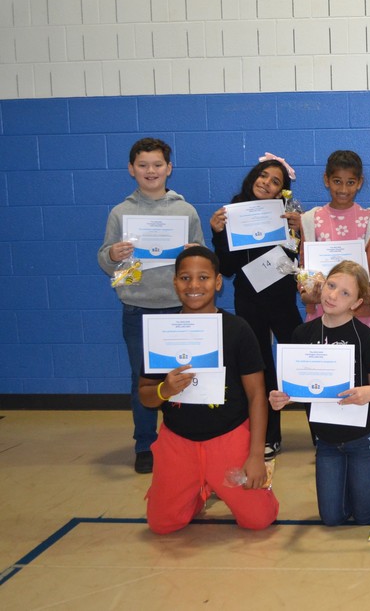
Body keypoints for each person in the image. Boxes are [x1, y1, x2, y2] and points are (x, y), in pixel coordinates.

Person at [138, 246, 279, 534]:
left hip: (228, 437)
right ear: (175, 283)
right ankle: (199, 487)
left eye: (203, 277)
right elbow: (145, 394)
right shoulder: (161, 332)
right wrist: (165, 389)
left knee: (258, 520)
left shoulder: (238, 329)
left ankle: (229, 484)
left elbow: (256, 396)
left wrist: (255, 456)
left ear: (217, 282)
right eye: (185, 278)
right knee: (163, 525)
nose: (193, 286)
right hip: (178, 439)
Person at [97, 137, 205, 474]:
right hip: (138, 309)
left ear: (169, 169)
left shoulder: (185, 210)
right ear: (132, 170)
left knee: (185, 377)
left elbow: (202, 257)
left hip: (179, 308)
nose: (150, 171)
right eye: (143, 165)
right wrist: (112, 255)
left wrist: (192, 251)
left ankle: (185, 440)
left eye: (157, 165)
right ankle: (145, 444)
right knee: (142, 381)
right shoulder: (120, 212)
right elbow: (105, 258)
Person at [269, 261, 370, 526]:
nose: (333, 295)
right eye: (331, 286)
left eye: (345, 293)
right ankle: (353, 487)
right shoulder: (302, 333)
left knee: (366, 516)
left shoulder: (364, 336)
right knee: (333, 518)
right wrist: (280, 399)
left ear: (356, 303)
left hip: (364, 439)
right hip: (327, 443)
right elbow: (293, 389)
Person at [209, 155, 302, 459]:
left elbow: (298, 259)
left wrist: (296, 232)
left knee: (302, 358)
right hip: (249, 300)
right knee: (260, 368)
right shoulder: (233, 212)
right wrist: (219, 233)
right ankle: (269, 435)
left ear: (281, 192)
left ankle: (324, 431)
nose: (267, 183)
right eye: (263, 176)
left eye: (275, 181)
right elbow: (226, 268)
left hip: (282, 298)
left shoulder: (287, 215)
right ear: (253, 177)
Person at [299, 150, 370, 341]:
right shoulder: (310, 219)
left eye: (350, 182)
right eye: (337, 181)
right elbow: (304, 267)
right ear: (326, 180)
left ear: (360, 182)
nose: (343, 189)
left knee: (362, 366)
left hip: (359, 312)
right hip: (322, 311)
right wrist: (306, 294)